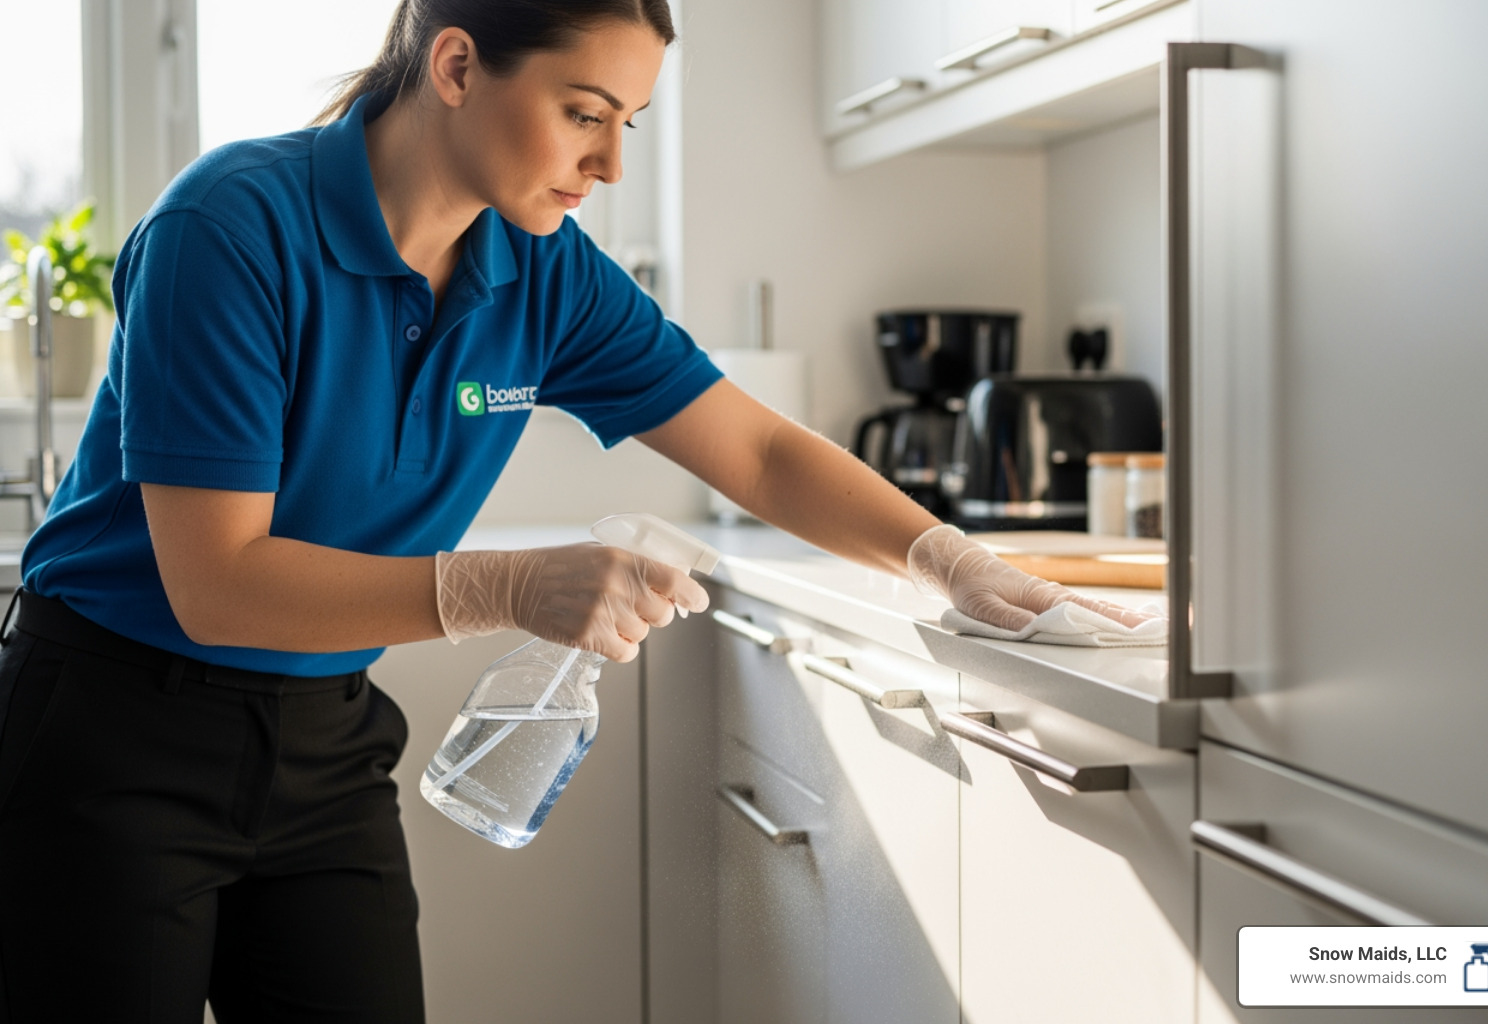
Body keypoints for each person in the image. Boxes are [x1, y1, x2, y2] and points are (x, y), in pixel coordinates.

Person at [0, 1, 1152, 1020]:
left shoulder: (542, 269)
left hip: (324, 735)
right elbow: (218, 584)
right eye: (583, 112)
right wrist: (499, 584)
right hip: (112, 735)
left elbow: (750, 446)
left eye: (628, 125)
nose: (604, 162)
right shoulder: (233, 229)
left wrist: (947, 558)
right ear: (456, 66)